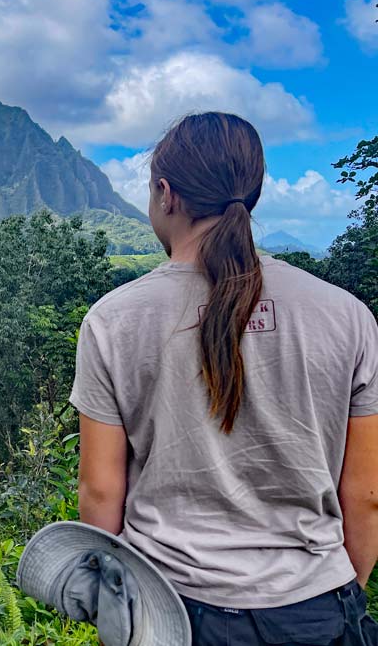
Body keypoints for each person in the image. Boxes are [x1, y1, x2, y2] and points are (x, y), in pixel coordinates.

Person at [69, 112, 378, 645]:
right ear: (252, 193)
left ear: (166, 195)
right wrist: (331, 596)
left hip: (170, 609)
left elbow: (100, 492)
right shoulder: (347, 316)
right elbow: (366, 495)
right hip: (316, 607)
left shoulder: (113, 320)